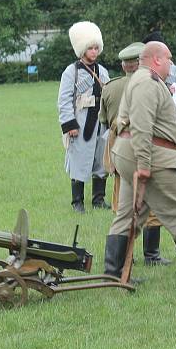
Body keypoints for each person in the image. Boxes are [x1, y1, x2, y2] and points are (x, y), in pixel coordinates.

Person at [103, 42, 176, 281]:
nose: (171, 63)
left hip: (134, 153)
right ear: (156, 59)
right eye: (168, 58)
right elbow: (142, 126)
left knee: (128, 215)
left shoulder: (144, 80)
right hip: (148, 156)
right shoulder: (147, 83)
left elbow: (159, 125)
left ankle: (113, 273)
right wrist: (145, 165)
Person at [100, 42, 170, 266]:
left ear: (123, 65)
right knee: (152, 208)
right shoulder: (154, 84)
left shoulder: (110, 87)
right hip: (148, 149)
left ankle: (119, 262)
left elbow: (103, 119)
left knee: (122, 207)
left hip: (119, 150)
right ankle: (152, 255)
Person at [58, 21, 111, 213]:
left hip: (100, 123)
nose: (94, 51)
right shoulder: (71, 72)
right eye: (90, 48)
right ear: (82, 48)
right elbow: (64, 100)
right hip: (80, 124)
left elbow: (109, 96)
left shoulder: (102, 72)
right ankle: (77, 202)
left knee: (101, 162)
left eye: (97, 47)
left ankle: (98, 199)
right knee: (79, 161)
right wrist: (70, 124)